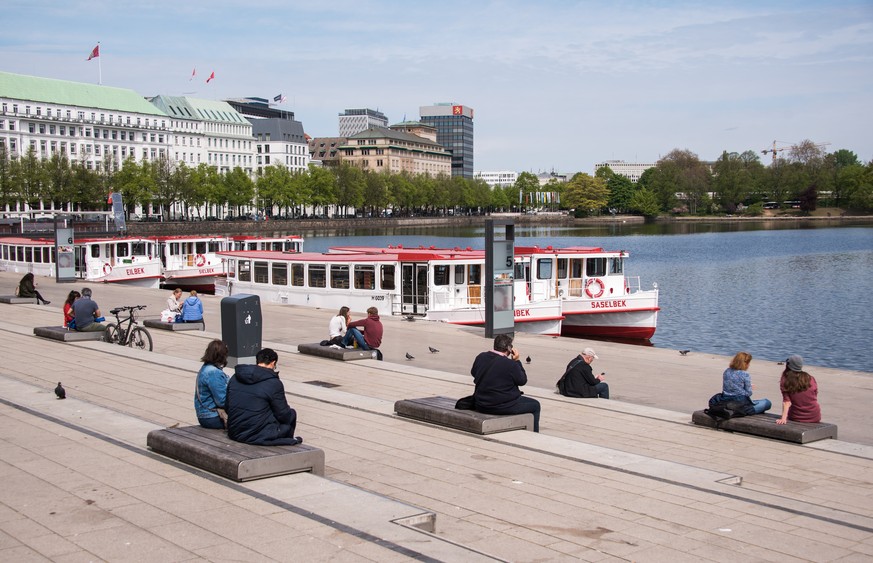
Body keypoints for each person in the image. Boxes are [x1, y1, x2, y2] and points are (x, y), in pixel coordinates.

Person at [225, 348, 300, 445]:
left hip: (235, 431)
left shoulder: (235, 377)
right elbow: (283, 415)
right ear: (273, 363)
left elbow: (227, 407)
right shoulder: (274, 383)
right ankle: (287, 449)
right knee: (291, 414)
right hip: (257, 434)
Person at [470, 333, 540, 432]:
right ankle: (534, 434)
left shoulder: (481, 357)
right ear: (509, 348)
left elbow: (474, 373)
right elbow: (522, 380)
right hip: (501, 406)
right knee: (535, 405)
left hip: (480, 403)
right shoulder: (511, 364)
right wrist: (517, 361)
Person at [194, 340, 230, 429]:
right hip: (211, 417)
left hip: (205, 415)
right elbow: (222, 401)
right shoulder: (214, 373)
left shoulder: (206, 367)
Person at [776, 355, 821, 424]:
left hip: (797, 417)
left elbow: (786, 402)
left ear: (788, 365)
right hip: (815, 416)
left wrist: (783, 418)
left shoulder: (785, 380)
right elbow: (814, 395)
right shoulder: (811, 378)